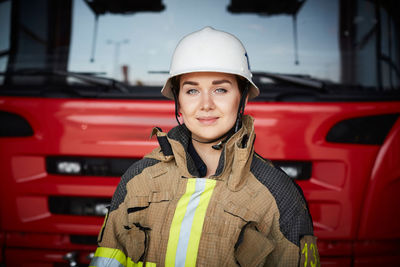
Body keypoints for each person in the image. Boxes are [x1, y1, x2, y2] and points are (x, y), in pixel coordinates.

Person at [89, 26, 320, 267]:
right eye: (192, 91)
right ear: (178, 100)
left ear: (243, 98)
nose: (206, 104)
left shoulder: (278, 193)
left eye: (220, 89)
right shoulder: (138, 179)